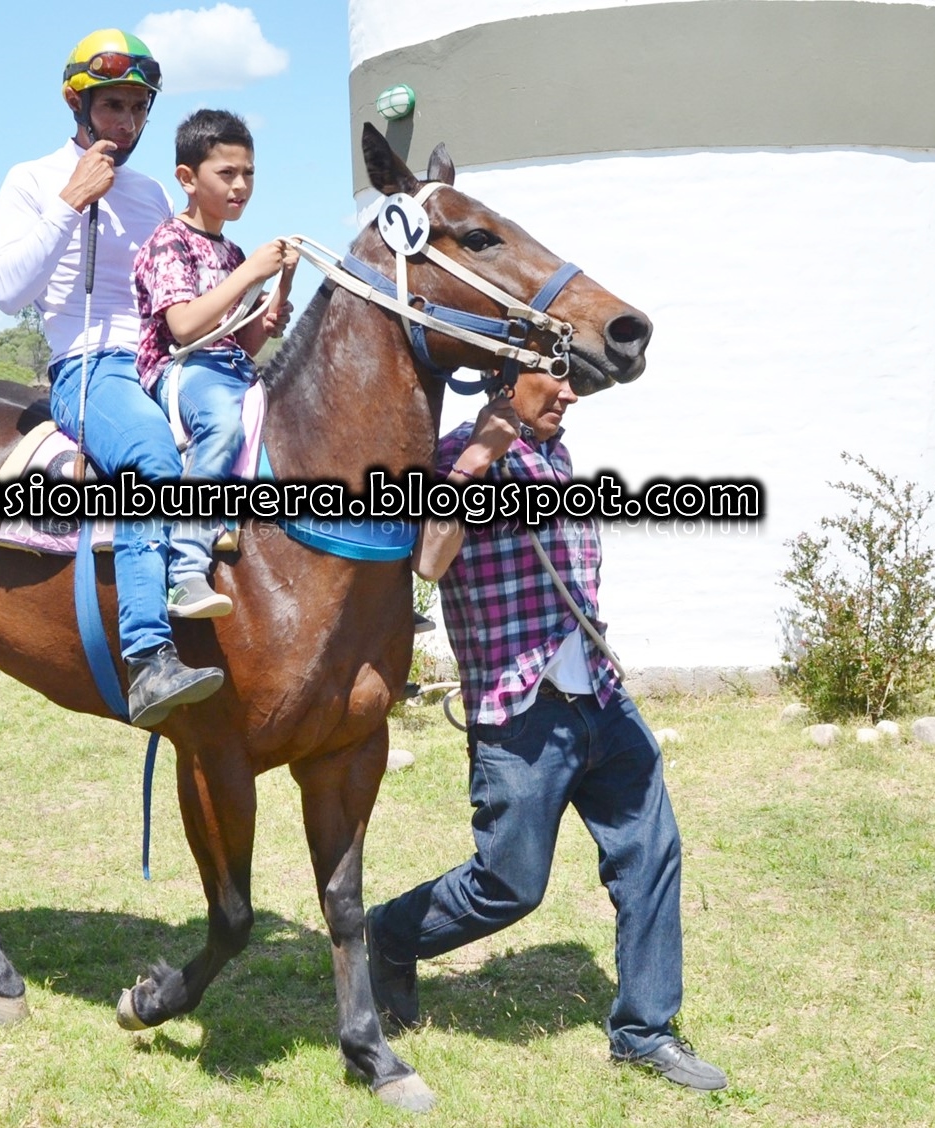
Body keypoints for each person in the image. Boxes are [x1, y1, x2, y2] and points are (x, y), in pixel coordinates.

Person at [365, 369, 728, 1092]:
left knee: (651, 852)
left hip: (602, 699)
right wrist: (477, 460)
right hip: (521, 709)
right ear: (504, 378)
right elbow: (429, 561)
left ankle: (645, 1032)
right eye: (556, 378)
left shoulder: (556, 457)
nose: (571, 395)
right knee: (509, 884)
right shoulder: (454, 454)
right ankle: (392, 933)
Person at [0, 28, 223, 728]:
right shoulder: (31, 179)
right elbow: (5, 291)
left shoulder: (152, 193)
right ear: (78, 105)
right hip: (92, 366)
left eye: (137, 108)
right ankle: (148, 657)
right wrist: (70, 201)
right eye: (112, 105)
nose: (126, 121)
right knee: (151, 459)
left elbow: (175, 292)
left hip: (167, 361)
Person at [131, 108, 296, 614]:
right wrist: (250, 275)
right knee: (223, 425)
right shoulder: (169, 241)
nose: (240, 185)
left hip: (229, 367)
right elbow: (183, 327)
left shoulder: (232, 252)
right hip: (180, 369)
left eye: (248, 173)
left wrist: (270, 311)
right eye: (226, 173)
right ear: (187, 178)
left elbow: (241, 342)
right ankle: (185, 568)